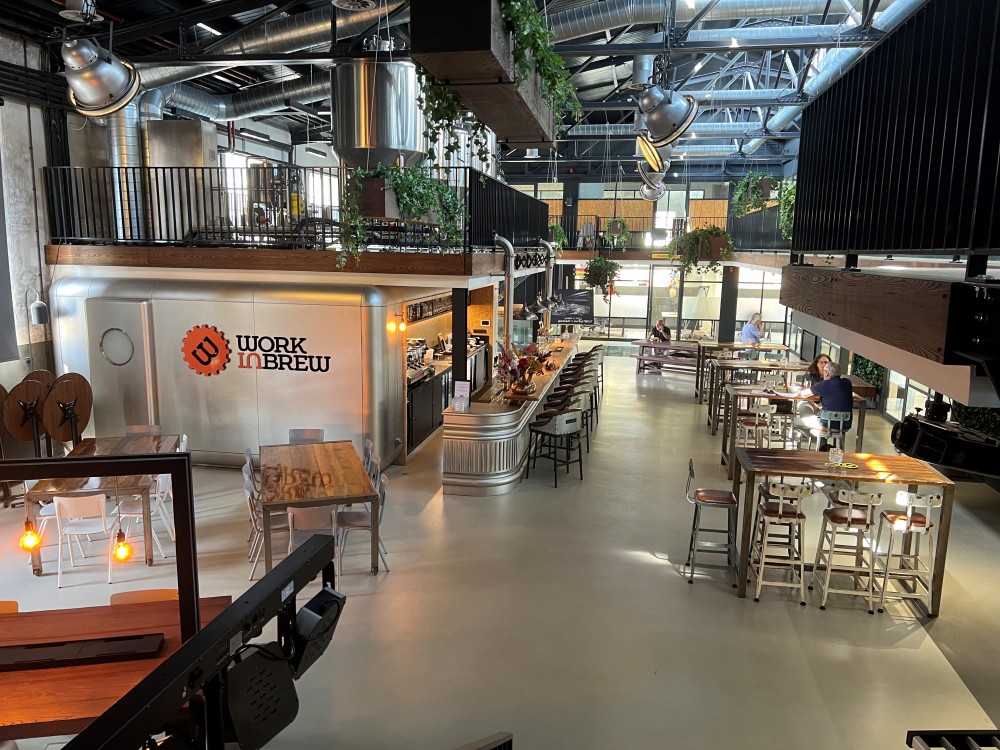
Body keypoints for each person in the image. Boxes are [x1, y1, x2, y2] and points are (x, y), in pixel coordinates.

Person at [793, 360, 854, 450]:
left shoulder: (824, 384)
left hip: (826, 424)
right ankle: (823, 445)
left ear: (827, 373)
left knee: (795, 423)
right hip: (845, 424)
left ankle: (821, 445)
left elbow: (802, 394)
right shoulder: (848, 383)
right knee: (820, 418)